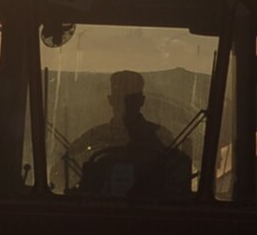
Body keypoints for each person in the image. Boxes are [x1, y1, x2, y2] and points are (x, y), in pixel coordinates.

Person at [66, 70, 192, 199]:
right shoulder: (93, 138)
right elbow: (59, 175)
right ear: (111, 100)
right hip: (97, 212)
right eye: (121, 98)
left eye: (131, 100)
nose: (125, 105)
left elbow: (179, 181)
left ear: (141, 101)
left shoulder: (162, 138)